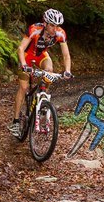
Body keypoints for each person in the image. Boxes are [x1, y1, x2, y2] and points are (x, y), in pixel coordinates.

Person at [8, 8, 73, 136]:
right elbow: (21, 48)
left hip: (41, 56)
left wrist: (67, 71)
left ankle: (43, 97)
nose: (55, 29)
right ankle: (15, 121)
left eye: (57, 26)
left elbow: (66, 55)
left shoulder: (60, 34)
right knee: (24, 86)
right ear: (45, 24)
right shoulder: (34, 29)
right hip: (26, 56)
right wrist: (24, 65)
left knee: (49, 70)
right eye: (52, 25)